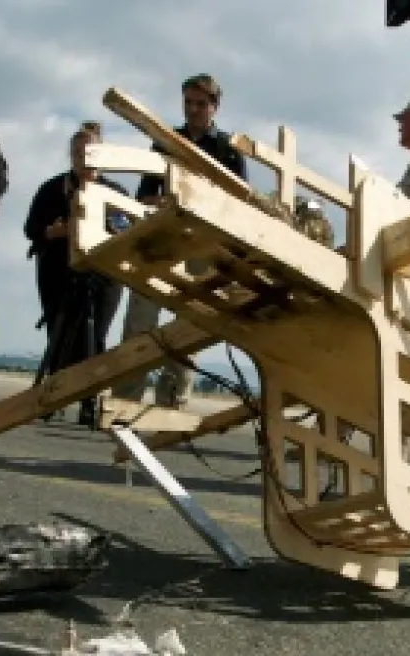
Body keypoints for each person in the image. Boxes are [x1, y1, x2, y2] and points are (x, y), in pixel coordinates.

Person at [110, 73, 246, 410]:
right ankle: (125, 402)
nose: (193, 109)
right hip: (163, 239)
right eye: (188, 102)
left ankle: (171, 404)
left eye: (201, 103)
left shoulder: (228, 149)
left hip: (202, 245)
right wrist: (167, 203)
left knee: (188, 326)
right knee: (140, 323)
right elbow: (145, 194)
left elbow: (240, 206)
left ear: (215, 107)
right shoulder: (165, 141)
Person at [24, 121, 129, 425]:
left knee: (94, 338)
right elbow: (32, 229)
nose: (83, 159)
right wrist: (54, 232)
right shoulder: (52, 188)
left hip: (103, 275)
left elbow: (128, 231)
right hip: (58, 268)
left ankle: (88, 400)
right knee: (58, 334)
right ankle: (53, 396)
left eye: (89, 153)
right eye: (77, 153)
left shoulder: (115, 193)